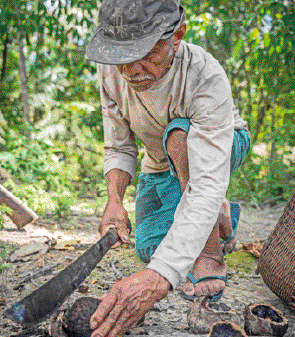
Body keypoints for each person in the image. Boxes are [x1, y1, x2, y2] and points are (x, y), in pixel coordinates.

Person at [86, 0, 250, 336]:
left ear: (177, 36)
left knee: (179, 135)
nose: (132, 69)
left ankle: (211, 252)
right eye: (123, 58)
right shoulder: (110, 71)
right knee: (150, 249)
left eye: (146, 54)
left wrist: (160, 279)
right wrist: (115, 201)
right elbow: (118, 145)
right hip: (159, 163)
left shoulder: (205, 75)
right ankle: (220, 213)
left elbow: (204, 181)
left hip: (218, 148)